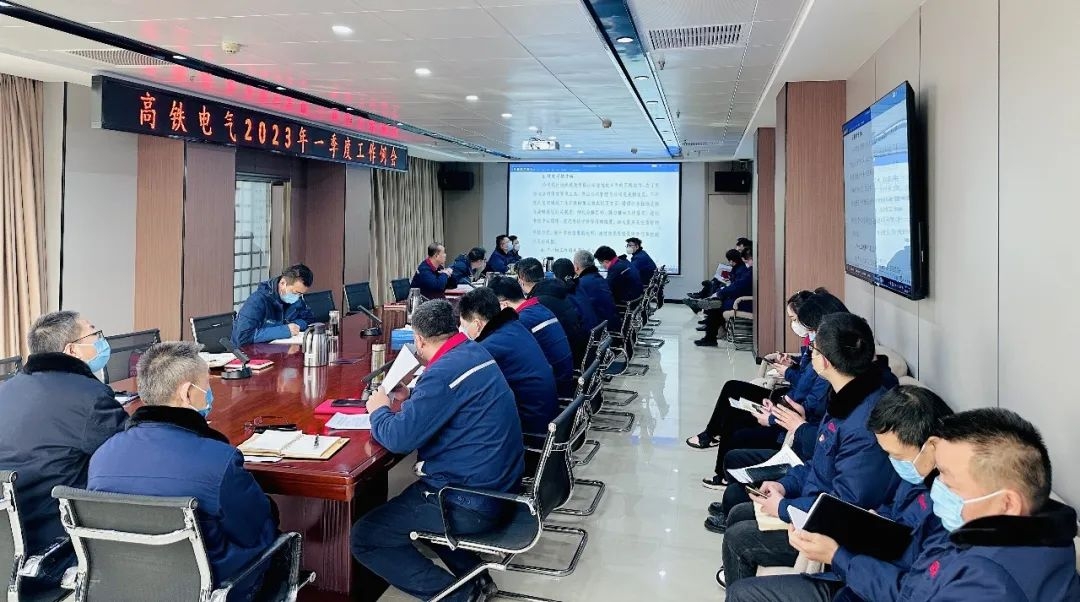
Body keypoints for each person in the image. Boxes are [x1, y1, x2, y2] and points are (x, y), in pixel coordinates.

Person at [351, 300, 525, 602]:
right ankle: (477, 581)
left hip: (470, 501)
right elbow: (451, 400)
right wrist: (413, 395)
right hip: (501, 488)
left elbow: (398, 439)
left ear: (418, 340)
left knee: (366, 537)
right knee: (412, 508)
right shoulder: (473, 352)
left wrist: (378, 410)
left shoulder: (443, 372)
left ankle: (459, 596)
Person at [719, 312, 899, 587]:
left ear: (824, 361)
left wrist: (784, 507)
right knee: (738, 513)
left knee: (738, 537)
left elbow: (844, 505)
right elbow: (818, 463)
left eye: (813, 349)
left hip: (828, 527)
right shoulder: (844, 398)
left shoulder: (865, 421)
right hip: (810, 502)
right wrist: (785, 485)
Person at [725, 385, 954, 601]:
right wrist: (873, 524)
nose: (893, 461)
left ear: (931, 446)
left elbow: (910, 590)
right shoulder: (918, 477)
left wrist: (837, 556)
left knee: (742, 585)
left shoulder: (950, 512)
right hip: (856, 571)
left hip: (861, 578)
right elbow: (893, 515)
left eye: (897, 456)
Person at [89, 342, 278, 599]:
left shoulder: (102, 456)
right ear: (187, 393)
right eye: (207, 386)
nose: (209, 394)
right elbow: (253, 528)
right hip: (212, 589)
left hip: (126, 587)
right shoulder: (219, 460)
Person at [0, 311, 127, 592]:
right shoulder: (90, 397)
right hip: (54, 549)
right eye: (94, 334)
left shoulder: (6, 390)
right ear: (72, 350)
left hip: (7, 547)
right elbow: (127, 457)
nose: (100, 340)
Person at [686, 290, 814, 451]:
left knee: (734, 403)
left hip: (789, 401)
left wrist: (788, 372)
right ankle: (711, 433)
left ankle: (712, 435)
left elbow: (806, 383)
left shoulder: (820, 349)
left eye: (794, 319)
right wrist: (793, 363)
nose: (793, 324)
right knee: (731, 387)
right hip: (787, 396)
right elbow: (806, 371)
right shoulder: (810, 340)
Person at [458, 288, 559, 434]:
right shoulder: (514, 326)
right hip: (546, 414)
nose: (463, 331)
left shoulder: (489, 347)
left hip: (530, 427)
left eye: (464, 326)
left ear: (477, 324)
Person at [489, 275, 576, 398]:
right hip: (564, 377)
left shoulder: (520, 321)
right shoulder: (540, 308)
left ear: (504, 305)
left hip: (554, 387)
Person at [516, 257, 589, 365]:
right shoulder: (555, 290)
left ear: (521, 279)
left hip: (567, 358)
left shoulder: (537, 303)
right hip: (577, 350)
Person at [232, 264, 315, 346]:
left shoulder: (296, 300)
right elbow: (243, 337)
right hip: (247, 352)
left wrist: (295, 326)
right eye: (295, 292)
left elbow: (309, 320)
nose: (297, 297)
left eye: (301, 294)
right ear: (283, 283)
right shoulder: (257, 301)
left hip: (277, 349)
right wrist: (284, 330)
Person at [696, 247, 753, 346]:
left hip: (744, 302)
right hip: (742, 300)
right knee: (715, 302)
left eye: (748, 260)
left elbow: (738, 286)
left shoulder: (749, 271)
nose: (746, 262)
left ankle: (710, 337)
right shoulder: (749, 270)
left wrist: (720, 293)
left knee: (715, 305)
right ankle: (711, 335)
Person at [572, 249, 618, 332]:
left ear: (576, 267)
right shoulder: (599, 278)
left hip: (600, 329)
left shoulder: (581, 284)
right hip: (611, 323)